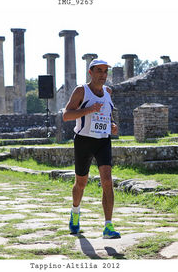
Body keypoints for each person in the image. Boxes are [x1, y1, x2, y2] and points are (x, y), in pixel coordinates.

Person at [62, 59, 120, 239]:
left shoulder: (108, 92)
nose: (103, 75)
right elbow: (66, 115)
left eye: (105, 72)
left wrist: (112, 125)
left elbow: (106, 115)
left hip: (103, 141)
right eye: (99, 71)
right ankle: (75, 212)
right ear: (91, 72)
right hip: (84, 141)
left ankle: (108, 226)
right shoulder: (81, 91)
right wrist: (88, 110)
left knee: (107, 181)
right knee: (81, 183)